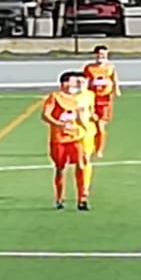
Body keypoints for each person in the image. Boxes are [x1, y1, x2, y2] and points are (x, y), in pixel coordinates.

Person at [41, 69, 95, 211]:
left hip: (76, 138)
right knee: (60, 168)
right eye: (74, 81)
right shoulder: (54, 96)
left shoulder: (78, 98)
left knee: (81, 165)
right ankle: (59, 198)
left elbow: (79, 116)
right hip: (59, 139)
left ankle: (82, 199)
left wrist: (86, 126)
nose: (77, 84)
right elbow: (45, 115)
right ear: (65, 83)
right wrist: (57, 124)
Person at [81, 44, 118, 158]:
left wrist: (116, 90)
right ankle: (87, 146)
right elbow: (83, 81)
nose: (101, 56)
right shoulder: (89, 68)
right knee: (88, 125)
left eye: (104, 54)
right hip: (92, 99)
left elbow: (114, 79)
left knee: (101, 126)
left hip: (105, 100)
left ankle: (99, 149)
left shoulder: (110, 67)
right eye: (99, 54)